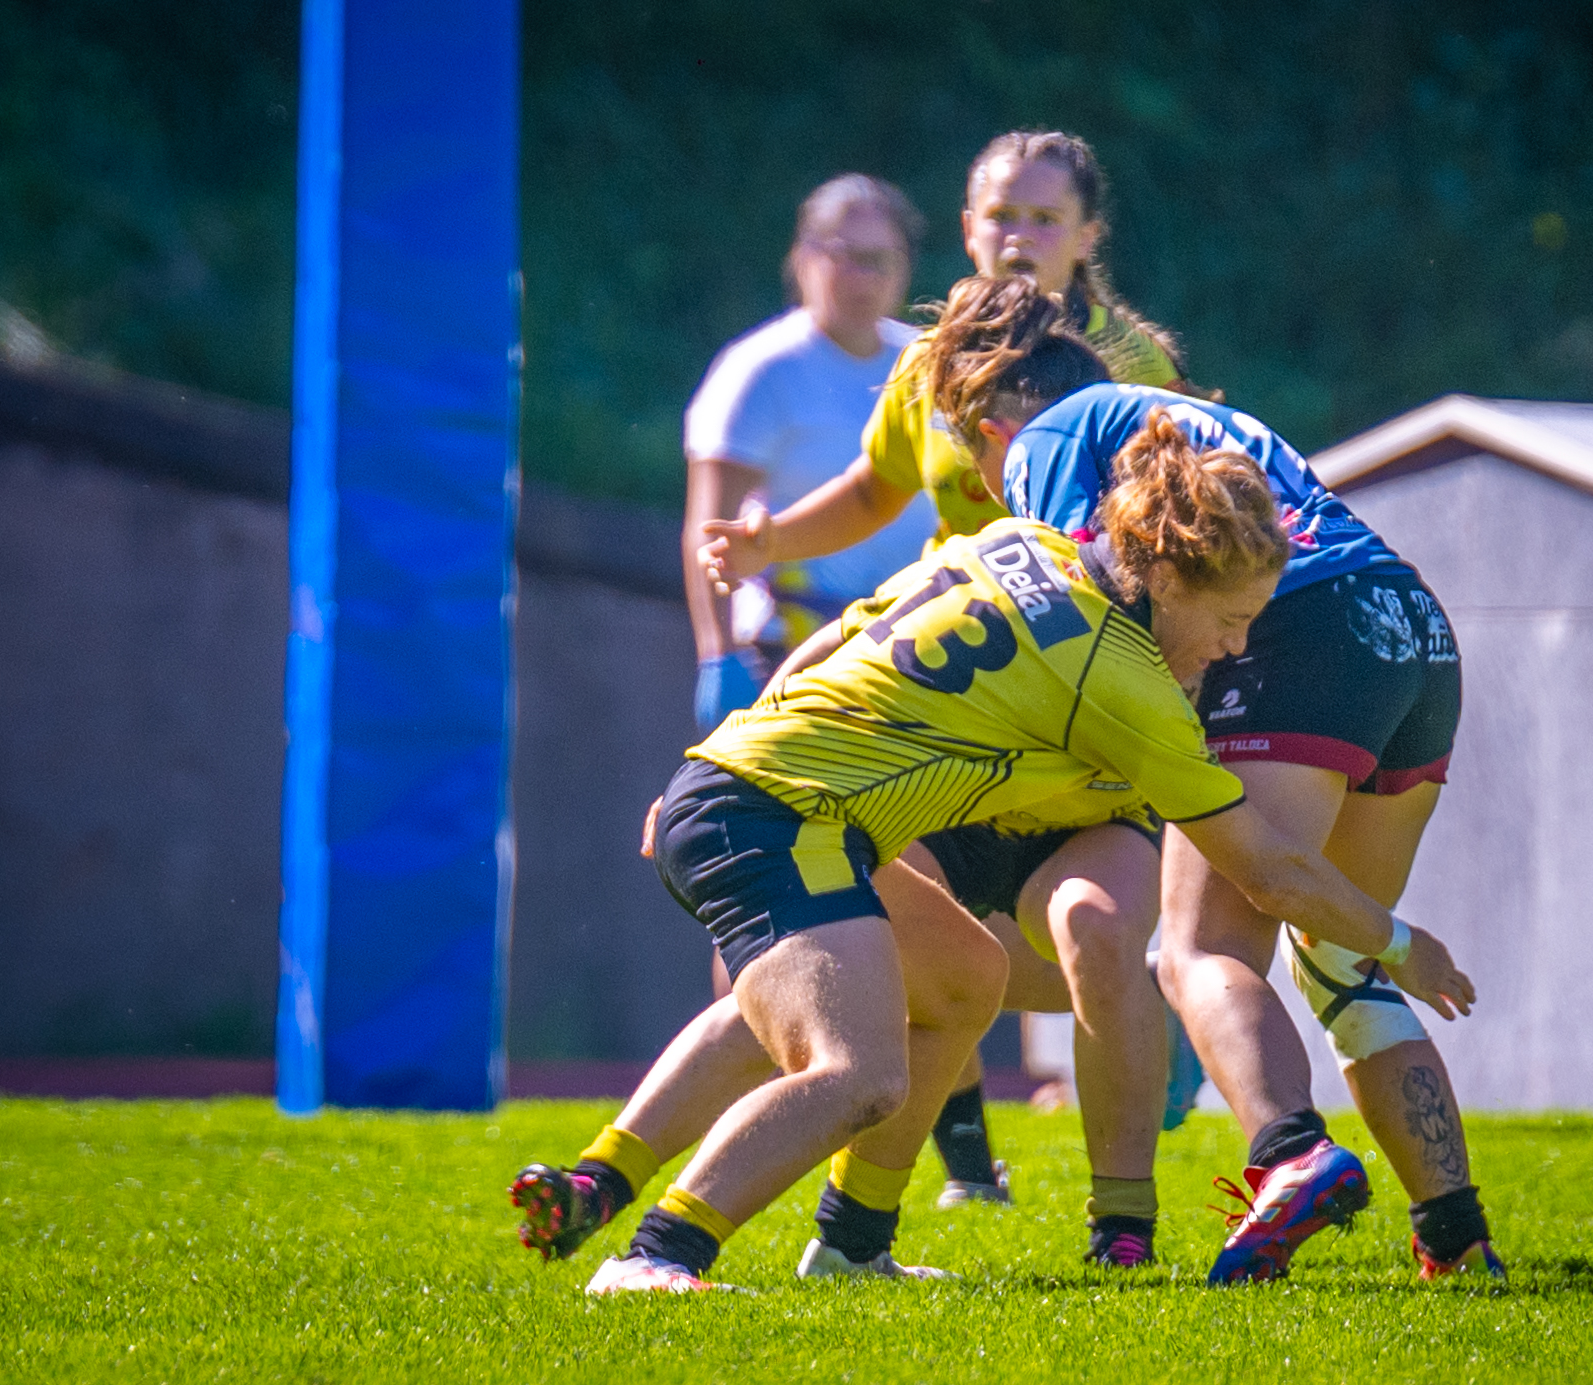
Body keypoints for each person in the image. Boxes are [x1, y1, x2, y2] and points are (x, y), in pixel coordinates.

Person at [525, 338, 1476, 1295]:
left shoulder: (1011, 542)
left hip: (749, 784)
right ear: (1173, 575)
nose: (1235, 652)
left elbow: (836, 636)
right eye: (1233, 623)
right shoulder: (1122, 679)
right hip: (779, 817)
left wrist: (708, 758)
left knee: (963, 977)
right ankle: (656, 1255)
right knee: (859, 1073)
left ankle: (850, 1244)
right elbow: (1265, 870)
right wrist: (1399, 943)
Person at [699, 130, 1199, 1225]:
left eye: (1042, 218)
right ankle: (898, 1200)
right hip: (952, 693)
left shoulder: (1130, 366)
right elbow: (875, 487)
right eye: (997, 216)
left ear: (1087, 236)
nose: (1017, 237)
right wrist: (768, 542)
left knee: (1093, 933)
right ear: (965, 229)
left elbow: (1190, 538)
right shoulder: (932, 354)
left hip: (1082, 711)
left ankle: (1126, 1195)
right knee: (898, 911)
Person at [999, 378, 1507, 1284]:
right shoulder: (1175, 412)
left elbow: (1096, 604)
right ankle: (1456, 1234)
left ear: (988, 421)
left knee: (1199, 949)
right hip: (1409, 620)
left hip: (1302, 624)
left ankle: (1290, 1154)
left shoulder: (1038, 439)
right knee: (1337, 951)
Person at [682, 173, 936, 737]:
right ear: (803, 258)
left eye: (881, 259)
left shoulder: (924, 364)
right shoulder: (761, 370)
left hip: (910, 652)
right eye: (845, 256)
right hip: (788, 653)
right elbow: (708, 527)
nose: (863, 278)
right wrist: (718, 656)